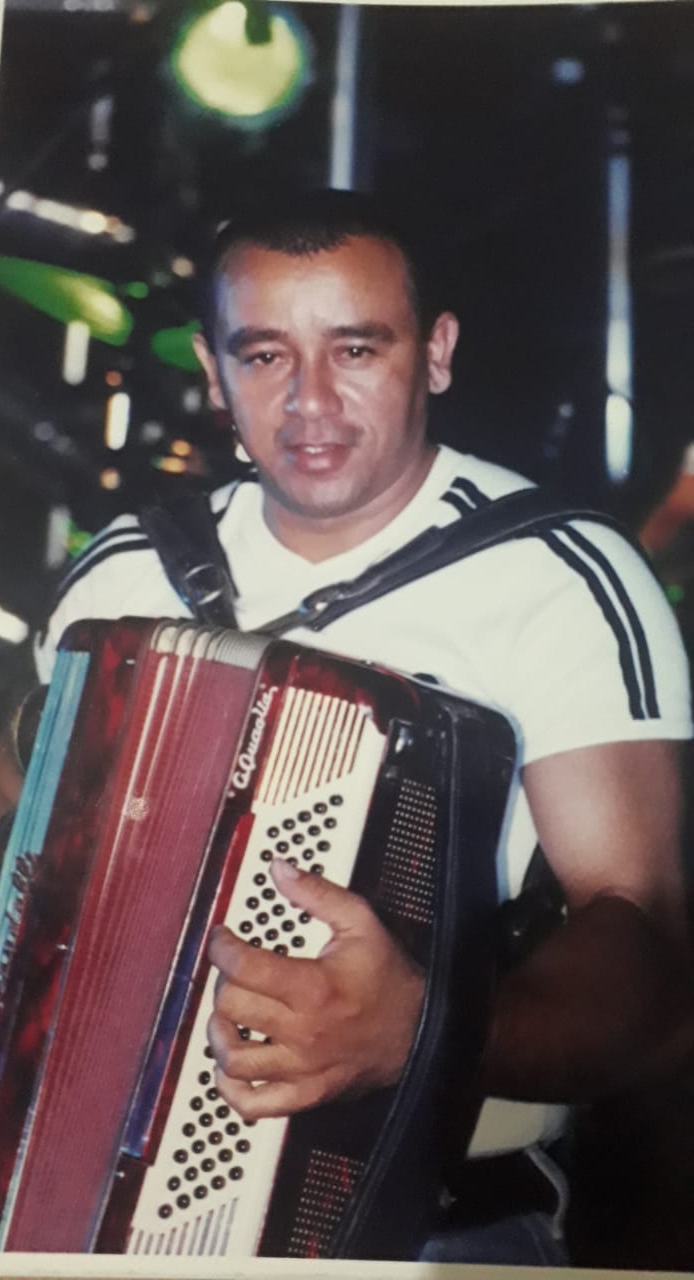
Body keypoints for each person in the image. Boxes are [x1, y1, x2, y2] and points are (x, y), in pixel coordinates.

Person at [34, 189, 693, 1264]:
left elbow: (653, 952)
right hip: (87, 1205)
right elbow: (15, 788)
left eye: (355, 348)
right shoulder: (123, 572)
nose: (310, 401)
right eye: (263, 355)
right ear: (212, 373)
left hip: (430, 1225)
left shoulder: (557, 576)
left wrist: (425, 1032)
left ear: (435, 353)